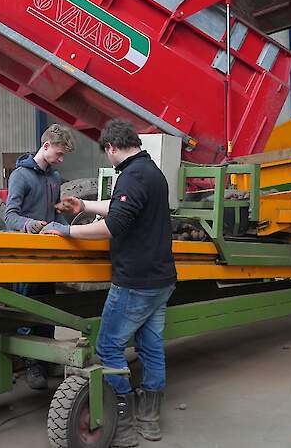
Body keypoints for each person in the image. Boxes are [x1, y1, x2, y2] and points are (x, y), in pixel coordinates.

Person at [48, 119, 176, 447]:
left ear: (112, 148)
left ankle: (125, 420)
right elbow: (124, 207)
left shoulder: (131, 176)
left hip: (135, 281)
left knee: (107, 347)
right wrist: (85, 205)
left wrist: (68, 231)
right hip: (161, 279)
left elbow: (113, 225)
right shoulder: (151, 172)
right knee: (150, 347)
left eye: (107, 154)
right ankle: (150, 421)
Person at [4, 123, 76, 390]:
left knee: (48, 307)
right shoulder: (20, 176)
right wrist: (30, 225)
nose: (61, 159)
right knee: (26, 307)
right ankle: (30, 363)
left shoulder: (55, 179)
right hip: (26, 257)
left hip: (49, 256)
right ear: (45, 146)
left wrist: (63, 227)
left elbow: (55, 215)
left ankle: (46, 359)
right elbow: (9, 216)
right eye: (58, 154)